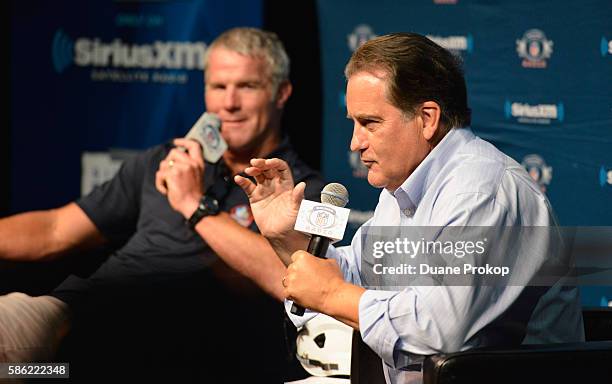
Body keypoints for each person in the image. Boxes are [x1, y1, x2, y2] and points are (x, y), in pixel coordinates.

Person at [235, 33, 584, 384]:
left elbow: (442, 330)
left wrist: (331, 294)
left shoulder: (483, 191)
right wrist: (288, 238)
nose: (355, 143)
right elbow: (357, 276)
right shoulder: (403, 185)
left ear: (427, 118)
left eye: (370, 123)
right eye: (353, 124)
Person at [0, 27, 324, 381]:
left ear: (281, 93)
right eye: (218, 87)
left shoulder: (303, 189)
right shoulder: (168, 160)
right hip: (69, 321)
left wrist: (195, 205)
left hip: (177, 348)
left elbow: (289, 281)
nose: (229, 103)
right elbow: (55, 230)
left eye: (247, 87)